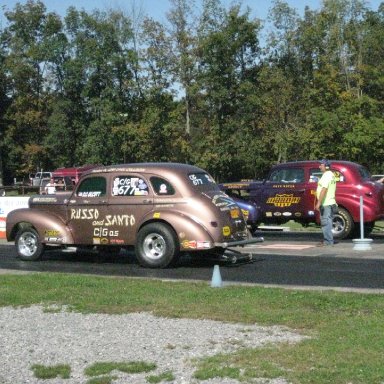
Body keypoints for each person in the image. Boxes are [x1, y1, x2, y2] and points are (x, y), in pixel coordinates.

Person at [315, 159, 337, 246]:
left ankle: (328, 241)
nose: (319, 166)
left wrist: (319, 202)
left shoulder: (327, 175)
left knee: (326, 222)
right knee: (328, 221)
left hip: (326, 203)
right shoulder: (330, 175)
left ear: (326, 166)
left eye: (321, 165)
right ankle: (328, 240)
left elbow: (324, 189)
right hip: (330, 202)